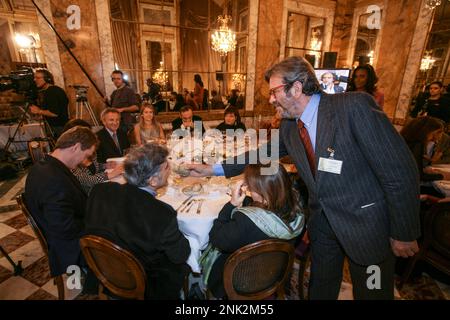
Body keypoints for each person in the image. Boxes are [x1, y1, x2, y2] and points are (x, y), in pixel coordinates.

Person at [187, 56, 421, 300]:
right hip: (322, 224)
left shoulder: (353, 107)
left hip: (366, 225)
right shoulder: (290, 127)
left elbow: (400, 171)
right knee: (321, 286)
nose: (270, 99)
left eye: (274, 92)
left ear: (296, 88)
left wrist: (404, 231)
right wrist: (213, 169)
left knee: (373, 292)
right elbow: (261, 153)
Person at [85, 144, 191, 299]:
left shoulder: (100, 191)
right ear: (153, 181)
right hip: (144, 281)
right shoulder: (161, 213)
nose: (170, 169)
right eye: (167, 166)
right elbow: (180, 255)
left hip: (106, 270)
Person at [201, 163, 304, 298]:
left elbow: (216, 238)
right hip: (275, 271)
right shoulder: (297, 208)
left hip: (239, 280)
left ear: (265, 194)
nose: (248, 189)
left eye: (252, 188)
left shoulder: (246, 222)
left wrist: (232, 204)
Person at [24, 126, 98, 277]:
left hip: (68, 231)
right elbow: (64, 228)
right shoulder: (52, 179)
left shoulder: (44, 165)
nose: (85, 161)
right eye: (86, 155)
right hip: (70, 247)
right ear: (76, 147)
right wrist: (97, 223)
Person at [63, 119, 124, 194]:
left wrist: (105, 166)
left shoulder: (90, 149)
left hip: (98, 187)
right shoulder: (70, 159)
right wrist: (111, 174)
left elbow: (94, 167)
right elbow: (86, 180)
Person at [400, 116, 448, 197]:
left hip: (402, 183)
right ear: (426, 131)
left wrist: (426, 171)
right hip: (406, 188)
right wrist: (442, 176)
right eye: (435, 133)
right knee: (442, 194)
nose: (436, 137)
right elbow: (419, 176)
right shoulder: (417, 144)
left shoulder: (407, 140)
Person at [29, 68, 69, 139]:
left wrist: (38, 111)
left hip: (58, 128)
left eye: (38, 78)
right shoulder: (55, 89)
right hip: (62, 126)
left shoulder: (51, 92)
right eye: (34, 78)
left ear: (47, 79)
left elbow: (54, 113)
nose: (35, 80)